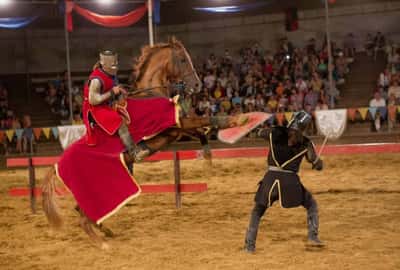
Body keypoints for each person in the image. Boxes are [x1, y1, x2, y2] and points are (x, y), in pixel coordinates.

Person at [244, 111, 324, 253]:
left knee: (257, 211)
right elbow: (317, 164)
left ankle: (249, 246)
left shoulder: (274, 132)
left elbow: (258, 133)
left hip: (270, 180)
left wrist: (248, 125)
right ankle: (313, 237)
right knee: (311, 204)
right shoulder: (306, 143)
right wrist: (318, 162)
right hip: (290, 183)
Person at [82, 50, 147, 162]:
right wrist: (112, 92)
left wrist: (121, 92)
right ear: (104, 64)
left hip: (106, 105)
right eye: (113, 65)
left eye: (116, 64)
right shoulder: (96, 79)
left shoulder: (112, 76)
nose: (115, 67)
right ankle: (134, 152)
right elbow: (93, 100)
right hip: (94, 109)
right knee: (119, 122)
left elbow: (115, 90)